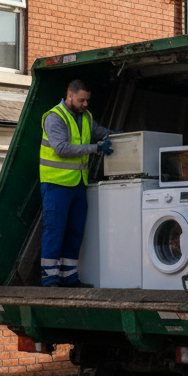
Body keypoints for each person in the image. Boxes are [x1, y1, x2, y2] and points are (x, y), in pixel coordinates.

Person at [39, 79, 114, 287]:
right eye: (81, 100)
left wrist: (120, 135)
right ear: (69, 95)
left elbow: (99, 132)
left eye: (87, 100)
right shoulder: (55, 117)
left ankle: (69, 278)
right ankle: (50, 280)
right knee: (55, 232)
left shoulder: (86, 116)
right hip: (56, 185)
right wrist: (95, 148)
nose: (85, 104)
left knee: (75, 232)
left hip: (78, 185)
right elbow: (61, 148)